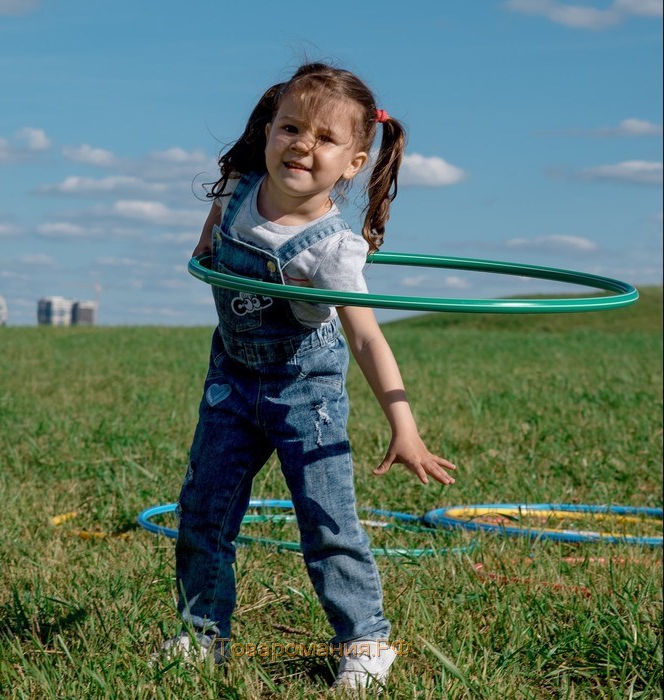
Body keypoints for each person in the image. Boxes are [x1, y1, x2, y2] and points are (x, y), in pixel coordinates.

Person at [162, 62, 456, 692]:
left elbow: (367, 334)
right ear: (269, 130)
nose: (302, 144)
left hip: (307, 394)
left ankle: (365, 641)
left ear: (353, 162)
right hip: (231, 381)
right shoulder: (239, 187)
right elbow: (207, 247)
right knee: (204, 512)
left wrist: (404, 427)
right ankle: (202, 632)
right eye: (290, 127)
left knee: (326, 521)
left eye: (325, 139)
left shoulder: (333, 250)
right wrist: (206, 248)